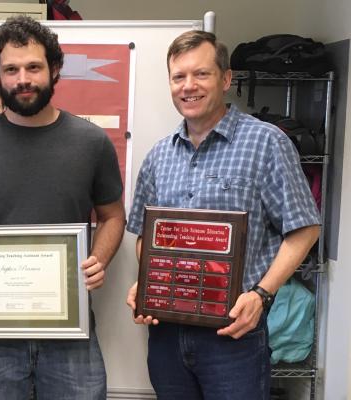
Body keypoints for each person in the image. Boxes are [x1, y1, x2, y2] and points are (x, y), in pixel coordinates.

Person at [0, 15, 126, 399]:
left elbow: (112, 217)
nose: (23, 78)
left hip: (70, 332)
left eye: (34, 67)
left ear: (54, 70)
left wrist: (99, 259)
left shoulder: (91, 142)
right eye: (11, 69)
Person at [125, 31, 320, 400]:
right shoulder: (158, 156)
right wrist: (148, 282)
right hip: (166, 334)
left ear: (226, 79)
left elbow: (304, 229)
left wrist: (262, 294)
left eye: (201, 74)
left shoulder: (266, 142)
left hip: (234, 334)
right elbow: (144, 238)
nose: (188, 86)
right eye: (178, 76)